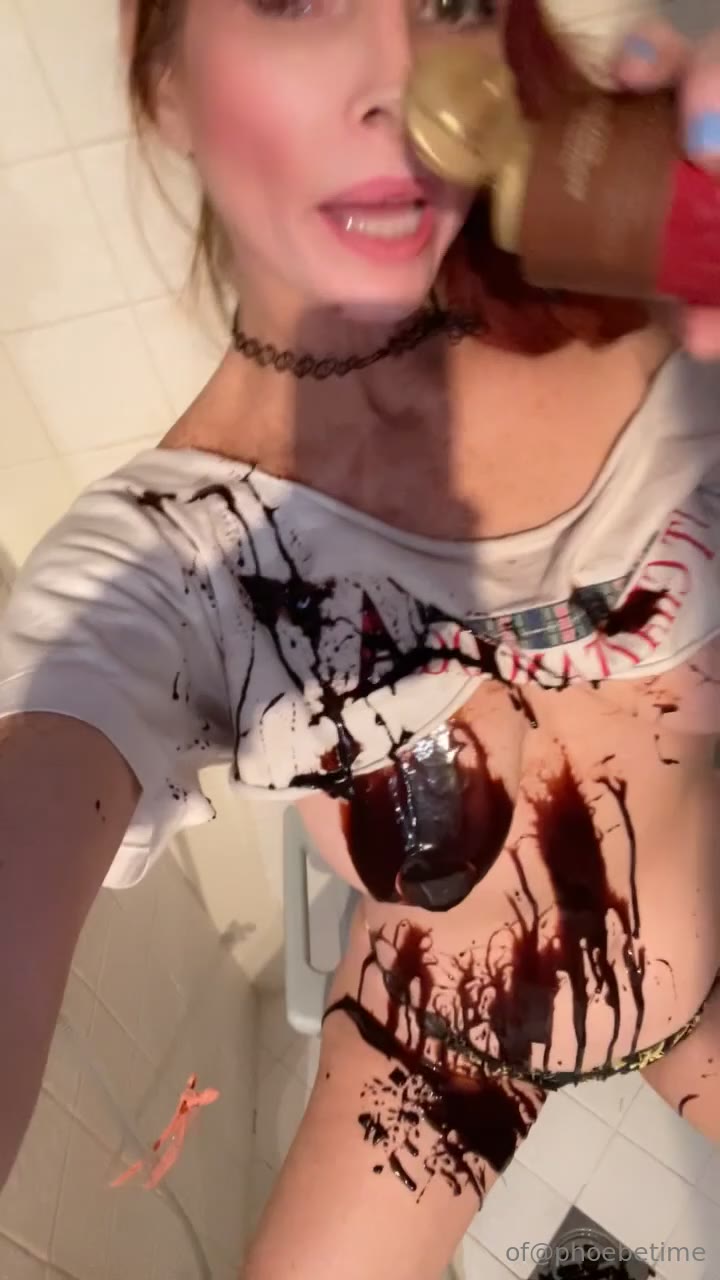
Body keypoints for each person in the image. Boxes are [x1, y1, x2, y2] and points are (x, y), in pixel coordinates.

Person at [0, 2, 718, 1277]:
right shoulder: (160, 568)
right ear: (166, 83)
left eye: (447, 2)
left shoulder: (654, 277)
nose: (401, 76)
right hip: (439, 1046)